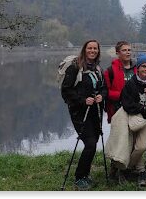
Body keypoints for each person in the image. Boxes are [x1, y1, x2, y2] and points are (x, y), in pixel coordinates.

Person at [60, 40, 107, 190]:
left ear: (98, 51)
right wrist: (82, 100)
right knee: (91, 143)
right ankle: (79, 177)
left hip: (95, 111)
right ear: (84, 50)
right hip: (79, 112)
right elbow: (66, 91)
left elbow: (103, 87)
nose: (92, 51)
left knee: (94, 142)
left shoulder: (97, 68)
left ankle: (85, 174)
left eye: (95, 48)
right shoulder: (75, 67)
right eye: (90, 48)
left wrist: (102, 96)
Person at [115, 53, 146, 187]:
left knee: (141, 146)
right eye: (143, 66)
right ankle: (141, 171)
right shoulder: (131, 83)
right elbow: (126, 103)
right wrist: (144, 108)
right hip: (133, 117)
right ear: (138, 68)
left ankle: (125, 168)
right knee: (131, 145)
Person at [104, 41, 134, 124]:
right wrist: (122, 95)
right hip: (117, 110)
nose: (128, 52)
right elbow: (106, 92)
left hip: (135, 109)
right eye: (124, 50)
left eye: (129, 50)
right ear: (118, 53)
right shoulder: (110, 71)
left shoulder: (136, 68)